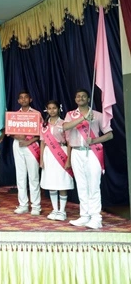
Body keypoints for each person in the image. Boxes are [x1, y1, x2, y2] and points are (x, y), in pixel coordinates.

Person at [63, 89, 113, 229]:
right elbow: (65, 127)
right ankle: (84, 215)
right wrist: (83, 118)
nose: (81, 98)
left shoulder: (98, 115)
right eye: (78, 96)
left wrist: (95, 140)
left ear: (88, 99)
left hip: (92, 152)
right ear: (75, 99)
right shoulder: (70, 115)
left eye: (84, 96)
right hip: (76, 152)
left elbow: (110, 135)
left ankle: (96, 218)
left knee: (93, 185)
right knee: (81, 185)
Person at [39, 100, 74, 221]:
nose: (52, 110)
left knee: (61, 182)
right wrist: (41, 159)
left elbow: (69, 142)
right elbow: (42, 142)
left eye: (54, 108)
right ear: (47, 110)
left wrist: (68, 159)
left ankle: (62, 211)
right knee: (51, 183)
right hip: (48, 154)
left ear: (59, 109)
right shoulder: (44, 125)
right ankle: (54, 209)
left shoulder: (64, 123)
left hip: (61, 153)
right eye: (49, 108)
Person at [9, 90, 42, 216]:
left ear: (30, 99)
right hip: (18, 145)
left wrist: (29, 141)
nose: (23, 99)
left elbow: (42, 133)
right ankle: (23, 204)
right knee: (20, 175)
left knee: (33, 177)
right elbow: (10, 131)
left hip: (31, 145)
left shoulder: (36, 114)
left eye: (26, 97)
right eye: (21, 98)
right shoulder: (14, 115)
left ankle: (36, 206)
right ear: (18, 101)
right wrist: (16, 136)